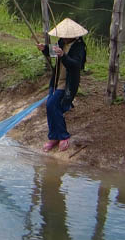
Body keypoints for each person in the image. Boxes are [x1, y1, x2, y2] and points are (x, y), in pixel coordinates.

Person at [37, 18, 88, 152]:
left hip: (67, 83)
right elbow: (54, 53)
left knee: (52, 105)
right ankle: (54, 137)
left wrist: (64, 55)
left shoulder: (79, 47)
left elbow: (76, 65)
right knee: (51, 107)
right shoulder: (61, 42)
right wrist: (45, 49)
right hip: (56, 80)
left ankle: (63, 136)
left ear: (73, 36)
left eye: (66, 36)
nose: (63, 38)